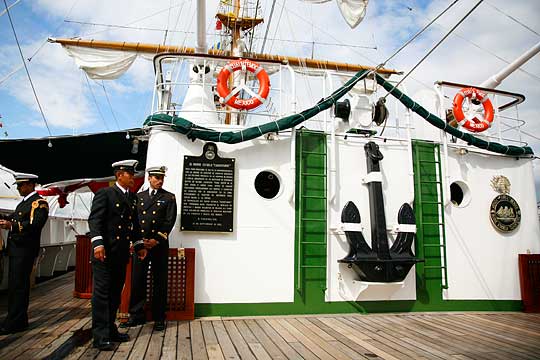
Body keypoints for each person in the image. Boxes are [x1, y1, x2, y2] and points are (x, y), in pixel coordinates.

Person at [88, 160, 147, 351]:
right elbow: (95, 220)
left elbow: (134, 225)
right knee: (102, 294)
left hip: (120, 254)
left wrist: (139, 246)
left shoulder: (132, 198)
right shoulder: (105, 194)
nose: (133, 177)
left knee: (114, 293)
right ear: (119, 175)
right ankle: (100, 335)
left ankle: (111, 329)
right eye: (130, 174)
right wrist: (97, 243)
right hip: (104, 253)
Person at [121, 166, 177, 331]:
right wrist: (139, 242)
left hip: (158, 245)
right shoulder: (138, 197)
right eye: (157, 178)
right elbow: (134, 221)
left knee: (160, 282)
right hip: (141, 246)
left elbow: (169, 222)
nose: (160, 181)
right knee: (138, 280)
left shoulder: (169, 197)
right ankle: (136, 315)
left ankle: (159, 317)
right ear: (149, 178)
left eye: (162, 178)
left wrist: (156, 240)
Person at [0, 173, 49, 335]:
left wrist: (12, 226)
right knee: (14, 286)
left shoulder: (39, 203)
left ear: (30, 185)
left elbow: (35, 225)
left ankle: (16, 322)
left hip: (25, 250)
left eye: (21, 186)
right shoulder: (23, 204)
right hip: (16, 250)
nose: (19, 189)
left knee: (19, 287)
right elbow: (13, 217)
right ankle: (15, 319)